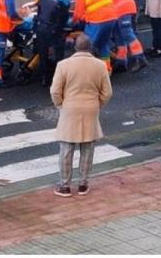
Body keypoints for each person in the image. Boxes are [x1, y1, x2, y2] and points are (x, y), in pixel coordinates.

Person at [50, 34, 113, 198]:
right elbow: (107, 92)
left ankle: (64, 185)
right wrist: (97, 104)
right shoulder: (99, 65)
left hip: (69, 108)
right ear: (90, 47)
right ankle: (83, 184)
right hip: (91, 108)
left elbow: (55, 91)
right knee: (87, 148)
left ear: (75, 47)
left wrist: (60, 105)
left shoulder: (63, 65)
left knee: (66, 149)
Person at [93, 0, 149, 72]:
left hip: (121, 8)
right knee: (119, 34)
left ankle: (140, 57)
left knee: (127, 32)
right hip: (122, 7)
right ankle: (121, 61)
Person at [69, 0, 118, 73]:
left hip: (97, 20)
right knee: (103, 44)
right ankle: (107, 70)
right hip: (111, 17)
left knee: (86, 47)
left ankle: (86, 73)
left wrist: (72, 22)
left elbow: (78, 12)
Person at [35, 0, 72, 86]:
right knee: (58, 54)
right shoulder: (64, 0)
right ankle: (58, 80)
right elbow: (63, 19)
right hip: (54, 30)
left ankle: (44, 78)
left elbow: (39, 10)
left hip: (41, 27)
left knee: (43, 53)